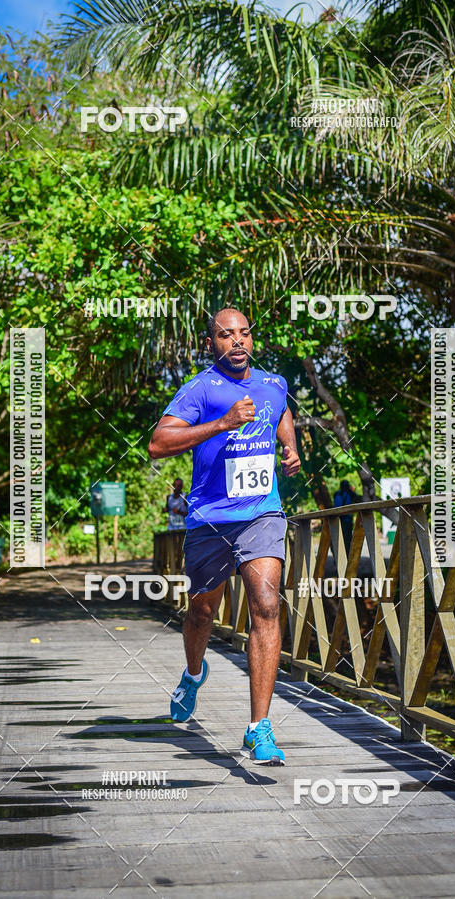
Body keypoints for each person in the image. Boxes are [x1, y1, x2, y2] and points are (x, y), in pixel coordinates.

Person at [148, 308, 300, 765]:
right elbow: (158, 443)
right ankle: (194, 674)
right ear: (211, 342)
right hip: (211, 519)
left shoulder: (273, 383)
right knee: (202, 612)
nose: (237, 341)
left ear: (252, 339)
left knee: (267, 605)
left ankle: (259, 727)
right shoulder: (200, 389)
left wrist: (289, 449)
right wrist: (222, 423)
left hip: (262, 513)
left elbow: (281, 413)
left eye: (244, 333)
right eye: (225, 335)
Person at [333, 479, 360, 552]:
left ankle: (339, 556)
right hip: (347, 520)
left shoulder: (336, 494)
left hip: (337, 519)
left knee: (339, 538)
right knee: (347, 539)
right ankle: (347, 556)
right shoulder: (350, 493)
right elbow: (358, 500)